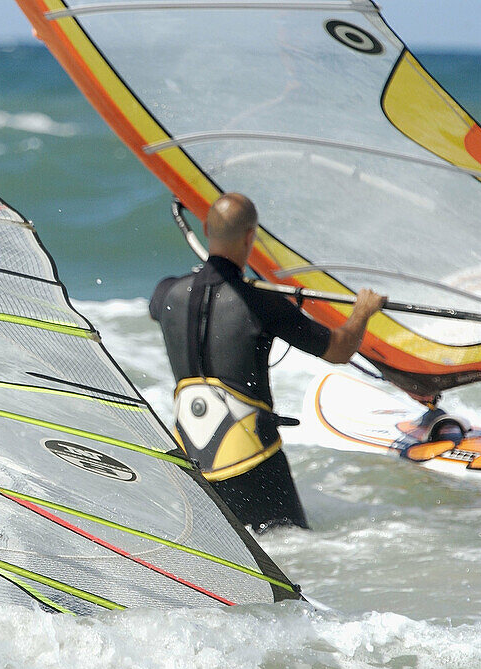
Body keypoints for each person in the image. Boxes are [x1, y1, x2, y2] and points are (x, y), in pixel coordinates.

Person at [149, 193, 385, 531]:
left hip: (193, 465)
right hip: (253, 462)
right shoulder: (262, 304)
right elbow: (338, 350)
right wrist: (363, 310)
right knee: (291, 558)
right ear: (250, 237)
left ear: (204, 228)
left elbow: (175, 305)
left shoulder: (166, 294)